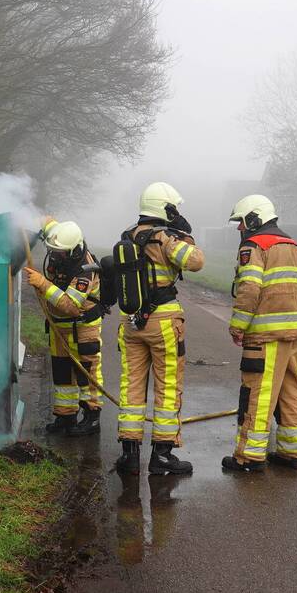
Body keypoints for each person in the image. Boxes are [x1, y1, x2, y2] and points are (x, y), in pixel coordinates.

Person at [115, 182, 204, 476]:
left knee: (131, 386)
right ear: (165, 208)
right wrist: (185, 232)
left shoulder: (128, 236)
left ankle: (129, 455)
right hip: (164, 322)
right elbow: (195, 261)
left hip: (131, 323)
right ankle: (162, 456)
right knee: (167, 389)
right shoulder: (164, 238)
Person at [223, 195, 297, 472]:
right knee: (291, 391)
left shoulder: (254, 246)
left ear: (254, 218)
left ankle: (249, 456)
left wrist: (238, 325)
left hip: (264, 337)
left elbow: (249, 289)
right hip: (294, 335)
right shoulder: (293, 246)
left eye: (241, 221)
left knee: (257, 394)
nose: (239, 228)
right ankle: (291, 451)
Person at [24, 217, 105, 437]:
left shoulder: (85, 270)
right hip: (59, 328)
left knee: (85, 374)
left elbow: (70, 305)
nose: (55, 256)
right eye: (53, 250)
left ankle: (91, 417)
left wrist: (43, 283)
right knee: (62, 374)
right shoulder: (61, 243)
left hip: (82, 328)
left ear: (72, 250)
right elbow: (49, 225)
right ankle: (65, 416)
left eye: (59, 252)